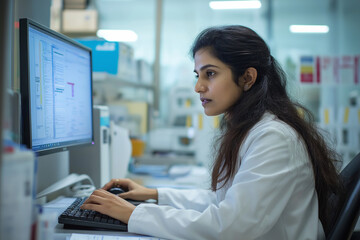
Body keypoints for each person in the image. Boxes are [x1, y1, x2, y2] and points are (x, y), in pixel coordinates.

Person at [81, 25, 342, 239]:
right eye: (198, 75)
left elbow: (230, 226)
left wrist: (132, 214)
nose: (198, 87)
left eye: (210, 74)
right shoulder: (252, 129)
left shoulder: (275, 137)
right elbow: (223, 200)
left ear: (247, 78)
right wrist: (154, 194)